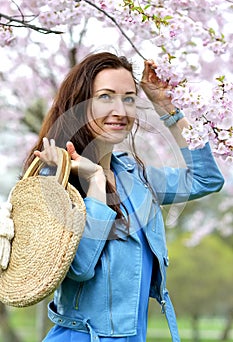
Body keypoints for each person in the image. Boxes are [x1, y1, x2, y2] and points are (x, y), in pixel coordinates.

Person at [23, 52, 224, 342]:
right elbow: (79, 268)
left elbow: (206, 178)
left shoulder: (135, 177)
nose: (120, 110)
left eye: (129, 98)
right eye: (106, 97)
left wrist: (167, 109)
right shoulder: (55, 180)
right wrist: (93, 182)